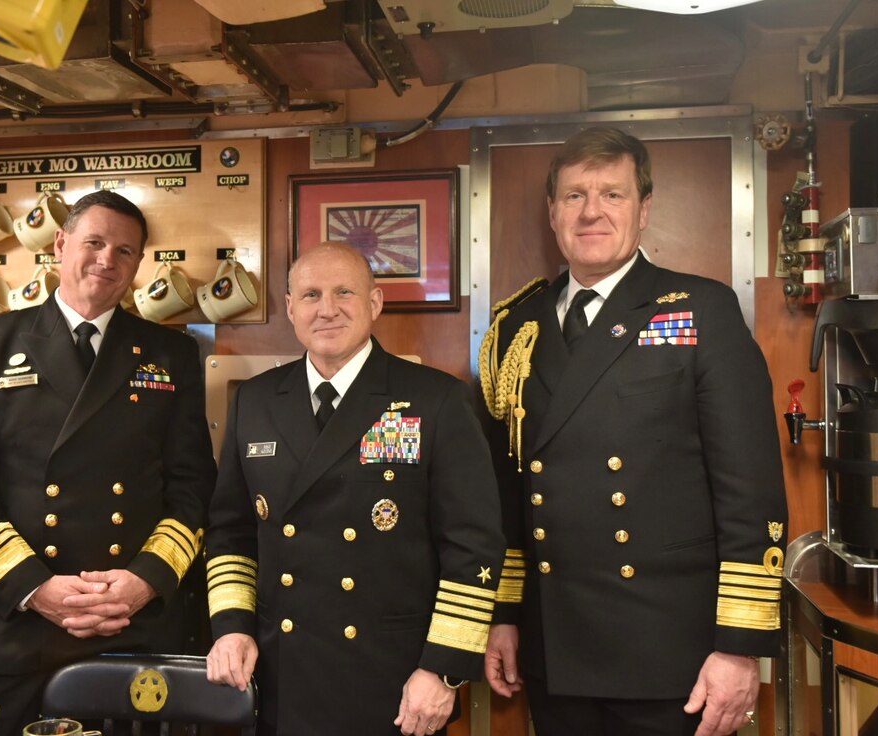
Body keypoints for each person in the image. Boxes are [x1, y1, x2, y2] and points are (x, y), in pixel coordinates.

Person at [479, 127, 788, 736]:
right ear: (552, 213)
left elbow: (748, 489)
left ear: (643, 210)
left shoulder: (700, 310)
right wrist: (506, 614)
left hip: (671, 650)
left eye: (612, 195)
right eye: (574, 196)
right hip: (554, 645)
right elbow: (506, 492)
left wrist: (739, 646)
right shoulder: (518, 327)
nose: (591, 211)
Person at [0, 190, 216, 736]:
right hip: (15, 622)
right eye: (95, 242)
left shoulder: (170, 354)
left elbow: (193, 486)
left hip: (128, 620)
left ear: (137, 265)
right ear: (61, 244)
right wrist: (37, 589)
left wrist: (145, 582)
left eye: (126, 251)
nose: (107, 260)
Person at [204, 243, 506, 736]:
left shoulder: (436, 399)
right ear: (289, 308)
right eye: (310, 295)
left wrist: (444, 670)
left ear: (375, 302)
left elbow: (474, 548)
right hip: (282, 674)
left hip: (397, 683)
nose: (327, 308)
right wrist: (233, 627)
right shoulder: (256, 401)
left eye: (344, 291)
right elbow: (230, 534)